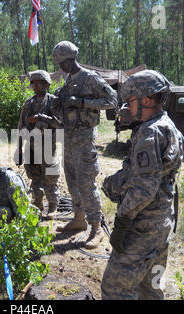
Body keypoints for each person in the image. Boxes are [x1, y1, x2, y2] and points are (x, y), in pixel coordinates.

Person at [100, 70, 184, 300]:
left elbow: (143, 188)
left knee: (115, 288)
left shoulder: (150, 132)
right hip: (162, 221)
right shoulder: (169, 126)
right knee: (151, 288)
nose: (127, 107)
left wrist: (122, 221)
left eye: (130, 101)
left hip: (142, 227)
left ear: (146, 99)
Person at [51, 41, 118, 249]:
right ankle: (79, 219)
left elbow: (113, 100)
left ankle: (96, 227)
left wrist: (82, 102)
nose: (62, 68)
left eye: (63, 63)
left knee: (86, 184)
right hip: (68, 139)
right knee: (71, 181)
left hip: (84, 140)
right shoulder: (68, 80)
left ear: (71, 60)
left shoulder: (90, 78)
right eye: (60, 64)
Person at [14, 70, 62, 219]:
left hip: (48, 145)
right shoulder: (29, 103)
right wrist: (20, 148)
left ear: (46, 84)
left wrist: (42, 117)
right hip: (32, 145)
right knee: (35, 177)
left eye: (37, 83)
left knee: (50, 177)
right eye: (32, 83)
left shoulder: (53, 101)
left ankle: (53, 205)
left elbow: (59, 123)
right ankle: (38, 203)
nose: (34, 86)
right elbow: (21, 125)